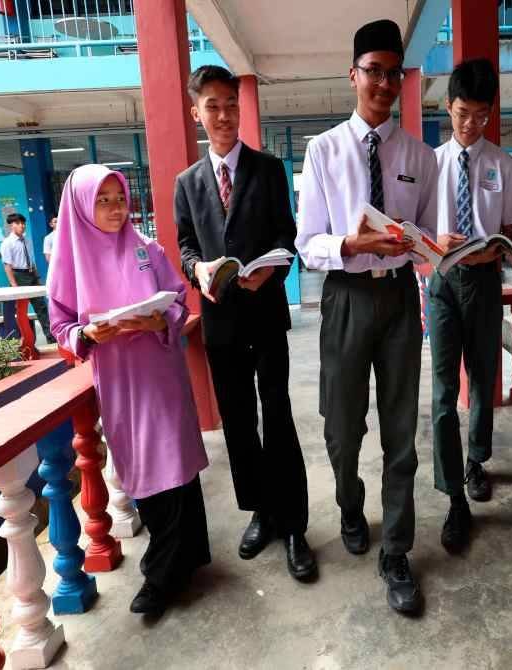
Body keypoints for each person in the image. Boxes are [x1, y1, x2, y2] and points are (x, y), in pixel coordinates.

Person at [295, 19, 437, 614]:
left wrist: (431, 243)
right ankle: (351, 505)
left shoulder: (419, 155)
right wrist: (352, 246)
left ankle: (397, 551)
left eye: (392, 73)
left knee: (402, 431)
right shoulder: (323, 149)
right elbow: (307, 242)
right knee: (342, 426)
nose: (382, 82)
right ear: (353, 76)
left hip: (401, 299)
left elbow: (427, 237)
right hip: (346, 300)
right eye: (372, 70)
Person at [47, 164, 210, 616]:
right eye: (103, 200)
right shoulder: (70, 262)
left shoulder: (146, 248)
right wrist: (90, 335)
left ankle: (165, 576)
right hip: (120, 380)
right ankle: (177, 562)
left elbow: (178, 301)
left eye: (120, 199)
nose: (116, 209)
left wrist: (160, 319)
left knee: (175, 462)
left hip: (161, 371)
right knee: (143, 468)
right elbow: (61, 325)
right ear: (81, 205)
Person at [175, 65, 315, 581]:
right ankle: (261, 513)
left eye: (231, 104)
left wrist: (272, 270)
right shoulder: (187, 183)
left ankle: (295, 525)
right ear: (197, 113)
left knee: (277, 414)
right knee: (237, 420)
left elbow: (288, 236)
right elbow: (186, 245)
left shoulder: (269, 169)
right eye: (213, 105)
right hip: (220, 319)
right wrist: (199, 269)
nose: (224, 114)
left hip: (265, 313)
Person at [430, 58, 512, 553]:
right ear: (449, 107)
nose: (471, 124)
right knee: (444, 389)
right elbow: (415, 233)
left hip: (485, 282)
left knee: (482, 375)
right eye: (464, 112)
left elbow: (509, 230)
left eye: (481, 115)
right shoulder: (430, 164)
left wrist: (495, 248)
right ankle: (452, 496)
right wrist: (435, 240)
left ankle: (476, 460)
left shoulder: (501, 165)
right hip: (443, 282)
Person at [0, 213, 56, 344]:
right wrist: (13, 284)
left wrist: (36, 275)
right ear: (11, 225)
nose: (22, 226)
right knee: (20, 309)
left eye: (23, 223)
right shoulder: (7, 243)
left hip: (31, 275)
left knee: (41, 306)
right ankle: (21, 339)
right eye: (18, 223)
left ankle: (51, 337)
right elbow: (7, 265)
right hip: (18, 276)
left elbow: (30, 259)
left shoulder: (26, 240)